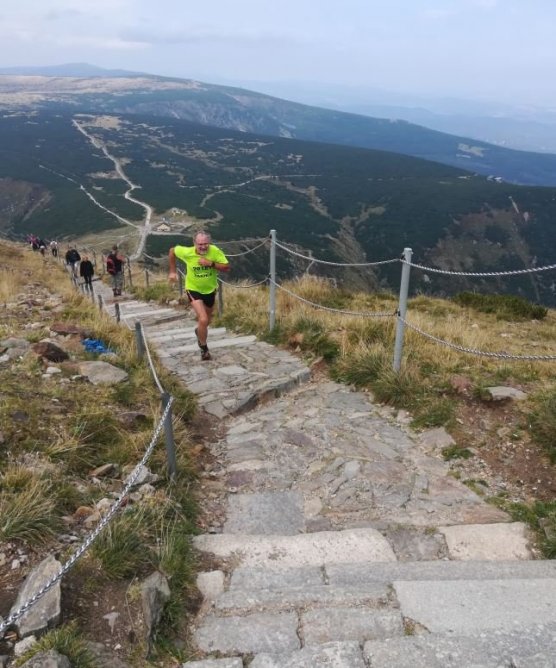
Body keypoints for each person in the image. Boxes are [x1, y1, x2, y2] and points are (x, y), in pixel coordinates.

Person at [168, 231, 230, 361]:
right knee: (203, 319)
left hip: (210, 290)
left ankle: (199, 332)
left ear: (209, 243)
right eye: (200, 244)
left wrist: (210, 263)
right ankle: (204, 349)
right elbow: (172, 251)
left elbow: (226, 267)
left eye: (205, 244)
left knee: (208, 321)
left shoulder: (215, 251)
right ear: (194, 243)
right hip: (193, 289)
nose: (203, 247)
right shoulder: (187, 252)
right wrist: (173, 272)